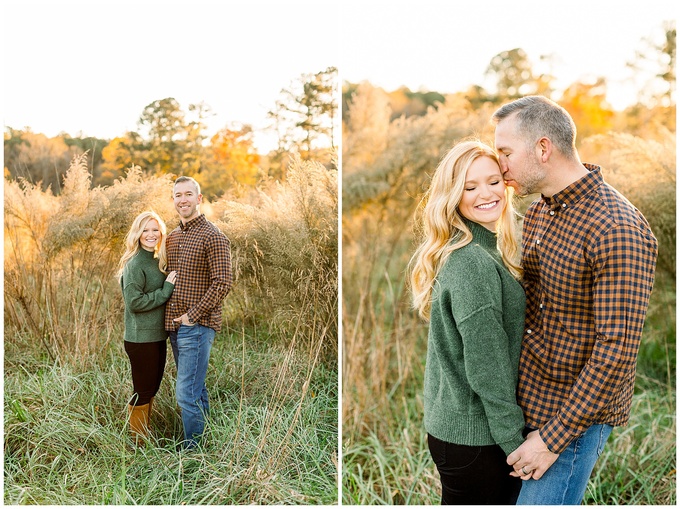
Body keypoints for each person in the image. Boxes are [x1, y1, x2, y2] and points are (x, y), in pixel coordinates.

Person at [492, 95, 658, 505]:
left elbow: (616, 349)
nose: (501, 166)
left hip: (570, 422)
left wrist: (552, 438)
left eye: (506, 152)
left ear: (543, 148)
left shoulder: (616, 227)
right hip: (525, 406)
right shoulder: (539, 212)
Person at [409, 140, 526, 504]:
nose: (486, 194)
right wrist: (515, 445)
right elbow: (486, 366)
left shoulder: (485, 245)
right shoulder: (472, 261)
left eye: (493, 181)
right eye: (470, 187)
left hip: (460, 431)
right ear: (453, 195)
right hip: (477, 439)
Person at [165, 176, 232, 449]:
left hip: (198, 325)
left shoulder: (213, 236)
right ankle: (207, 443)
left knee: (186, 393)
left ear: (199, 198)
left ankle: (192, 453)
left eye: (188, 194)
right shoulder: (172, 237)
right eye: (178, 195)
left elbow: (223, 282)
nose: (183, 199)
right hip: (175, 328)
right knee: (196, 387)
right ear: (174, 200)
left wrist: (192, 315)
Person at [118, 210, 177, 445]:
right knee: (143, 390)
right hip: (140, 339)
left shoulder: (156, 259)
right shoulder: (135, 263)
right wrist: (165, 291)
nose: (151, 234)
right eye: (145, 230)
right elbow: (134, 302)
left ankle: (145, 435)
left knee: (151, 389)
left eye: (155, 230)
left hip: (156, 336)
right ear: (137, 233)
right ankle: (138, 443)